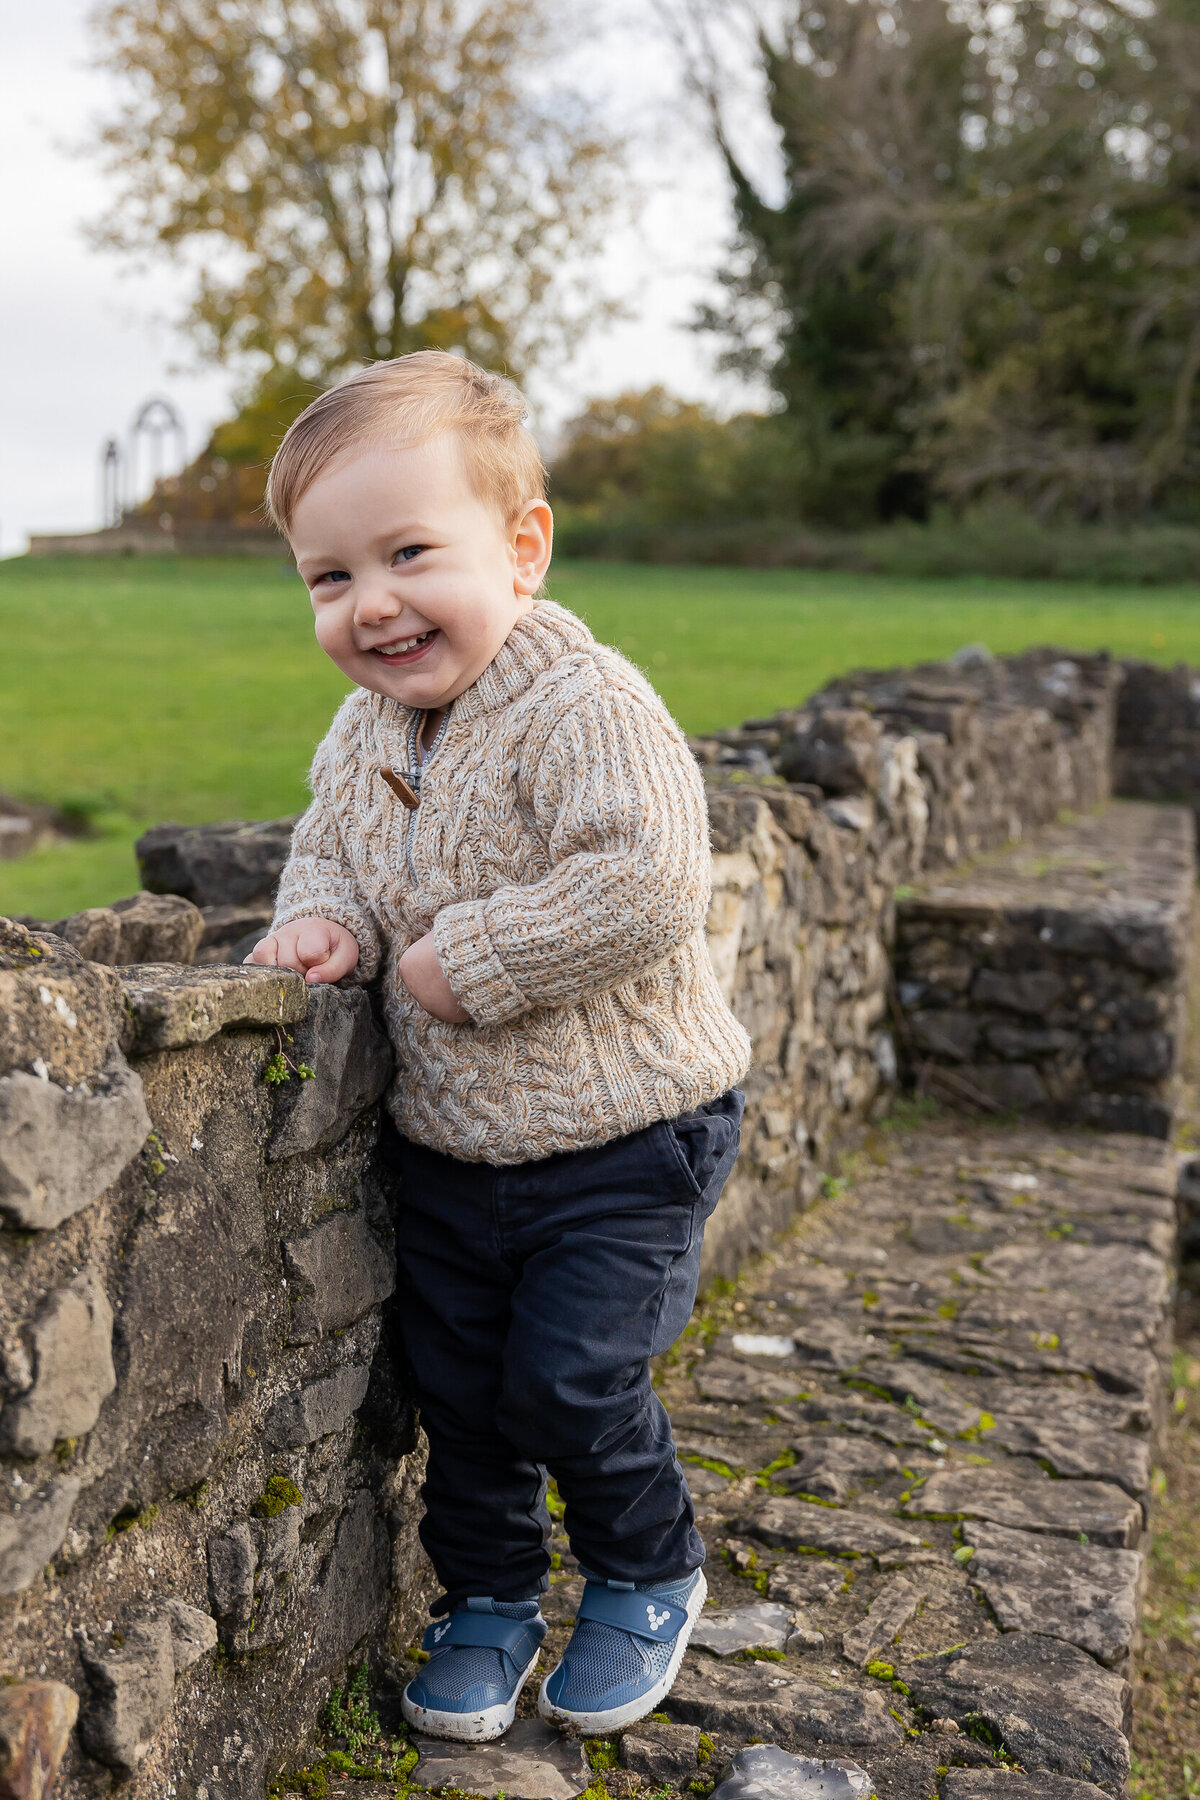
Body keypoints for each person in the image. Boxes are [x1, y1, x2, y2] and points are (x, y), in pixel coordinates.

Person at [246, 351, 751, 1742]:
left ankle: (649, 1570)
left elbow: (648, 877)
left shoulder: (585, 706)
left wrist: (476, 956)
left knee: (569, 1376)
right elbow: (331, 858)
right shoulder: (363, 734)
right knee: (460, 1390)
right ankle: (487, 1598)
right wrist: (318, 929)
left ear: (521, 548)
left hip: (630, 1129)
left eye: (411, 553)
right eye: (330, 577)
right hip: (460, 1145)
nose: (373, 603)